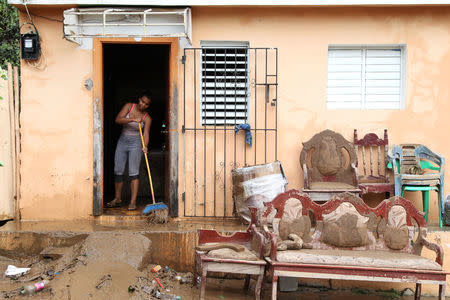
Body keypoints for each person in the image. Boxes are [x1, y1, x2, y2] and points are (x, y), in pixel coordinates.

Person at [106, 92, 152, 210]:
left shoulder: (147, 118)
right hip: (123, 141)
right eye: (142, 101)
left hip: (136, 143)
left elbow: (146, 134)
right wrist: (132, 119)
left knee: (133, 172)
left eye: (146, 104)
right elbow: (118, 119)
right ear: (139, 99)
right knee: (118, 170)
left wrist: (145, 145)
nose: (143, 105)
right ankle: (117, 198)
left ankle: (133, 202)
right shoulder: (128, 106)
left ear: (148, 106)